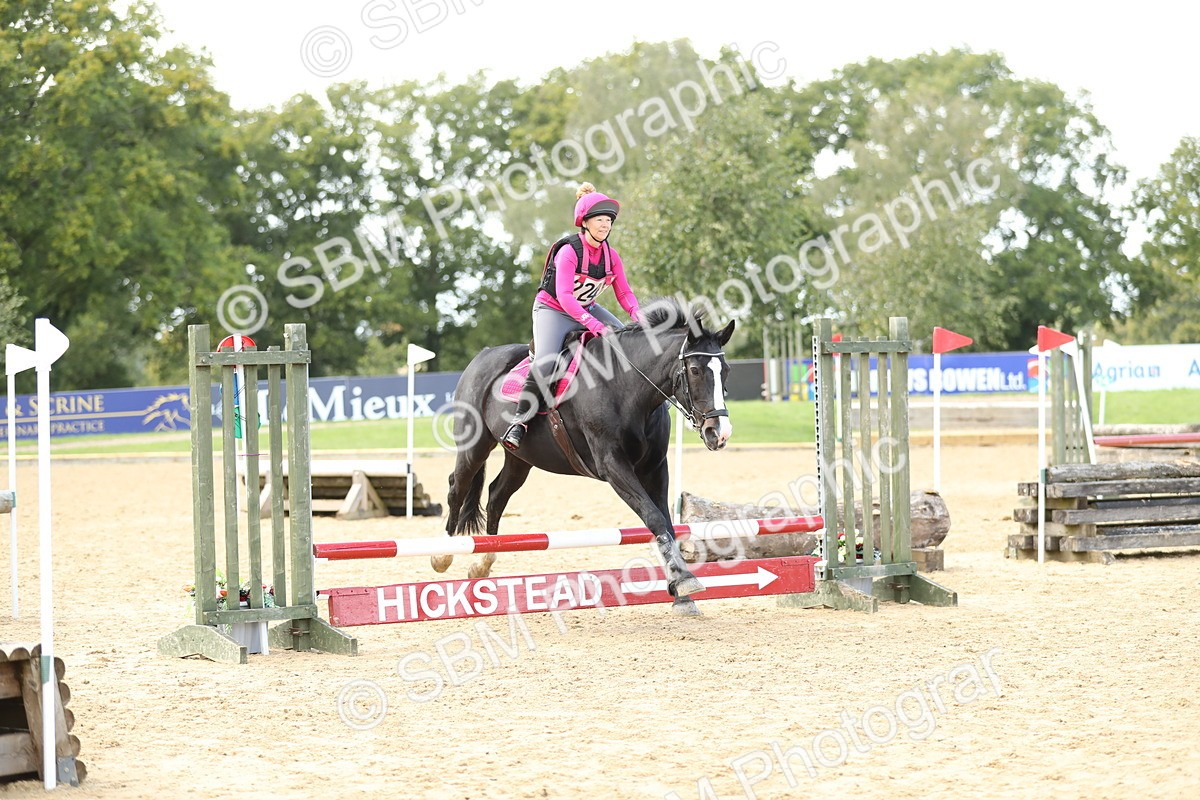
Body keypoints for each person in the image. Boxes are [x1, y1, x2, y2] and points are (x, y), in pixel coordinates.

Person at [501, 182, 642, 451]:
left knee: (625, 343)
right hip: (553, 310)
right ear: (585, 222)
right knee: (545, 363)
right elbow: (565, 297)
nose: (605, 225)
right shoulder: (568, 251)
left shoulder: (612, 257)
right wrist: (594, 324)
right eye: (599, 220)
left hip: (585, 307)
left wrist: (639, 316)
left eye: (609, 221)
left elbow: (624, 293)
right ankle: (520, 422)